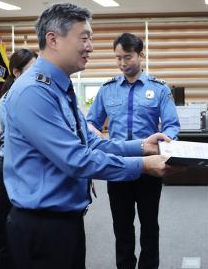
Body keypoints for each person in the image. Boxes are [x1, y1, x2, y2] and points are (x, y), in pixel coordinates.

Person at [3, 3, 174, 269]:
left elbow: (91, 141)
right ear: (53, 39)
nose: (91, 46)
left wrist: (142, 146)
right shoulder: (34, 92)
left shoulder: (60, 87)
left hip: (65, 221)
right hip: (42, 227)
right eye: (84, 38)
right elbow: (76, 159)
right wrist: (142, 165)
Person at [87, 33, 180, 269]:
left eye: (127, 57)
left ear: (141, 55)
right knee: (122, 226)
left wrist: (166, 146)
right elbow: (92, 122)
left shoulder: (159, 89)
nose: (122, 63)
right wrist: (93, 133)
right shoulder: (107, 89)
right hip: (117, 166)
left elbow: (171, 125)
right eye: (118, 58)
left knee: (149, 225)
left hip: (149, 167)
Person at [0, 48, 37, 269]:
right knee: (7, 231)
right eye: (32, 69)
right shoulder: (9, 101)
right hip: (8, 169)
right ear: (17, 73)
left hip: (25, 168)